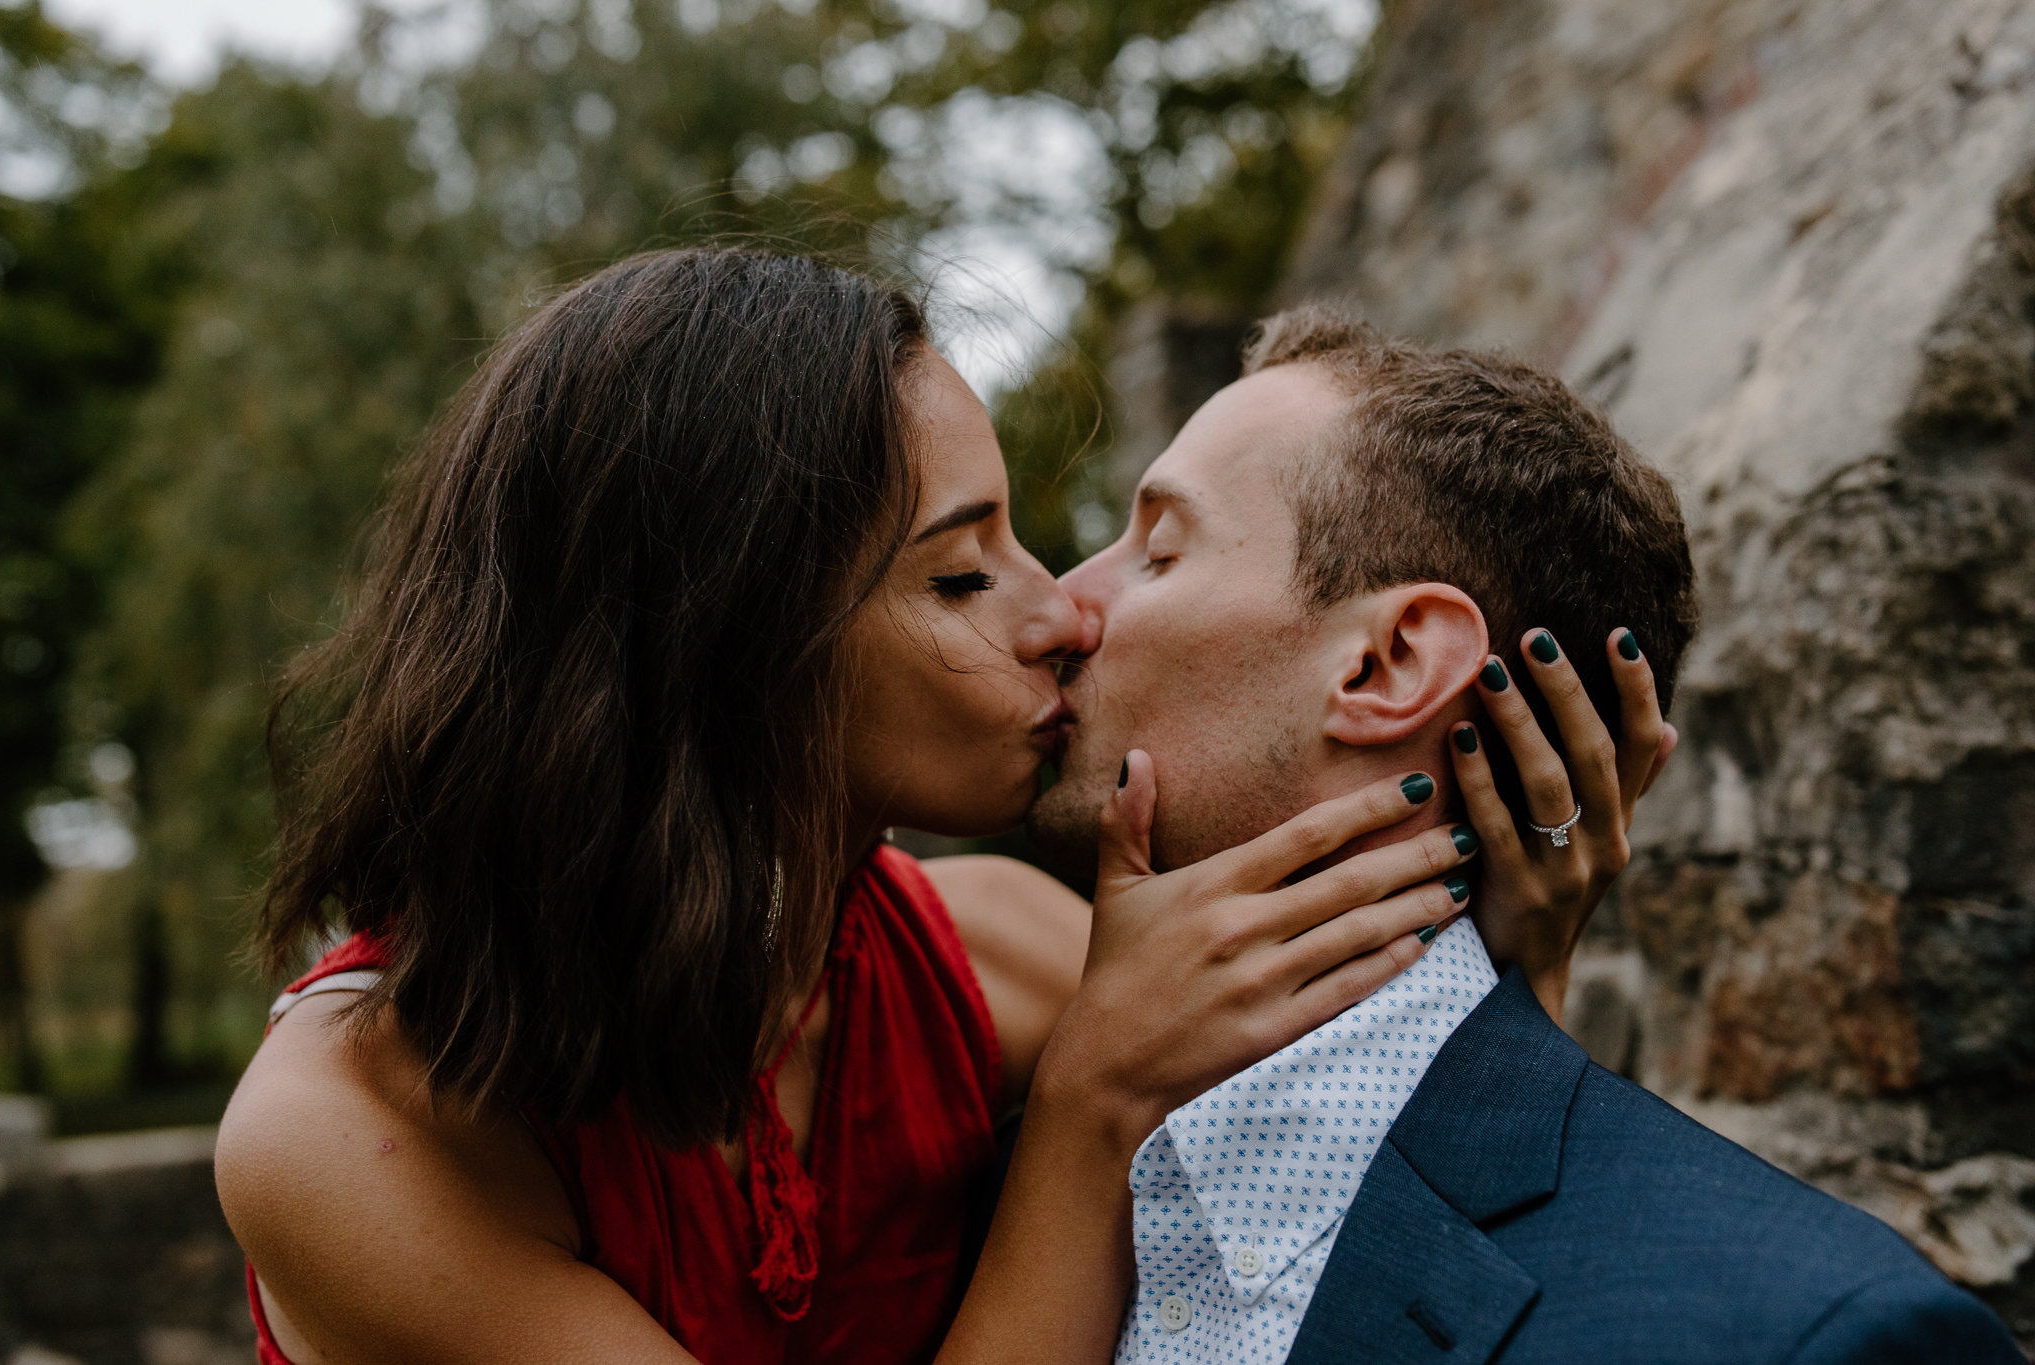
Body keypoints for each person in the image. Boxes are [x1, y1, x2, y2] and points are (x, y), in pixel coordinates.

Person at [211, 249, 1664, 1365]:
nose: (1062, 616)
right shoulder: (345, 1130)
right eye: (961, 576)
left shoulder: (998, 956)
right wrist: (1090, 1109)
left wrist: (1517, 951)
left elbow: (1395, 1242)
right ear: (727, 650)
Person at [1026, 305, 2023, 1364]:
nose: (1058, 608)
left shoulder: (1801, 1333)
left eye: (1158, 551)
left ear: (1387, 665)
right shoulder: (976, 1181)